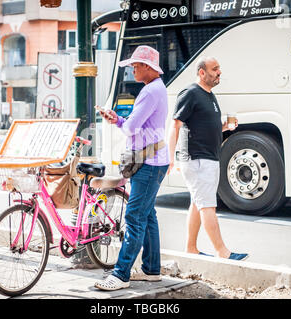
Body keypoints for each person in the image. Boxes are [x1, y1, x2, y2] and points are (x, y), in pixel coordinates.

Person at [94, 46, 170, 291]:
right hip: (154, 159)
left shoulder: (149, 92)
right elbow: (131, 125)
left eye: (136, 65)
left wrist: (120, 122)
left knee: (135, 217)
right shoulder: (157, 89)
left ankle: (121, 274)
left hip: (147, 162)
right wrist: (116, 119)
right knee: (148, 215)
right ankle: (151, 270)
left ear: (149, 67)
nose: (132, 69)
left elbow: (131, 128)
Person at [167, 56, 248, 261]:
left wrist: (225, 127)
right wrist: (170, 157)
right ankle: (223, 252)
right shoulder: (190, 93)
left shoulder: (209, 95)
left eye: (219, 68)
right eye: (214, 69)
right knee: (207, 206)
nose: (219, 72)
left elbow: (204, 126)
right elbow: (175, 125)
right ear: (201, 73)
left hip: (208, 158)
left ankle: (191, 248)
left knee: (198, 203)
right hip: (197, 159)